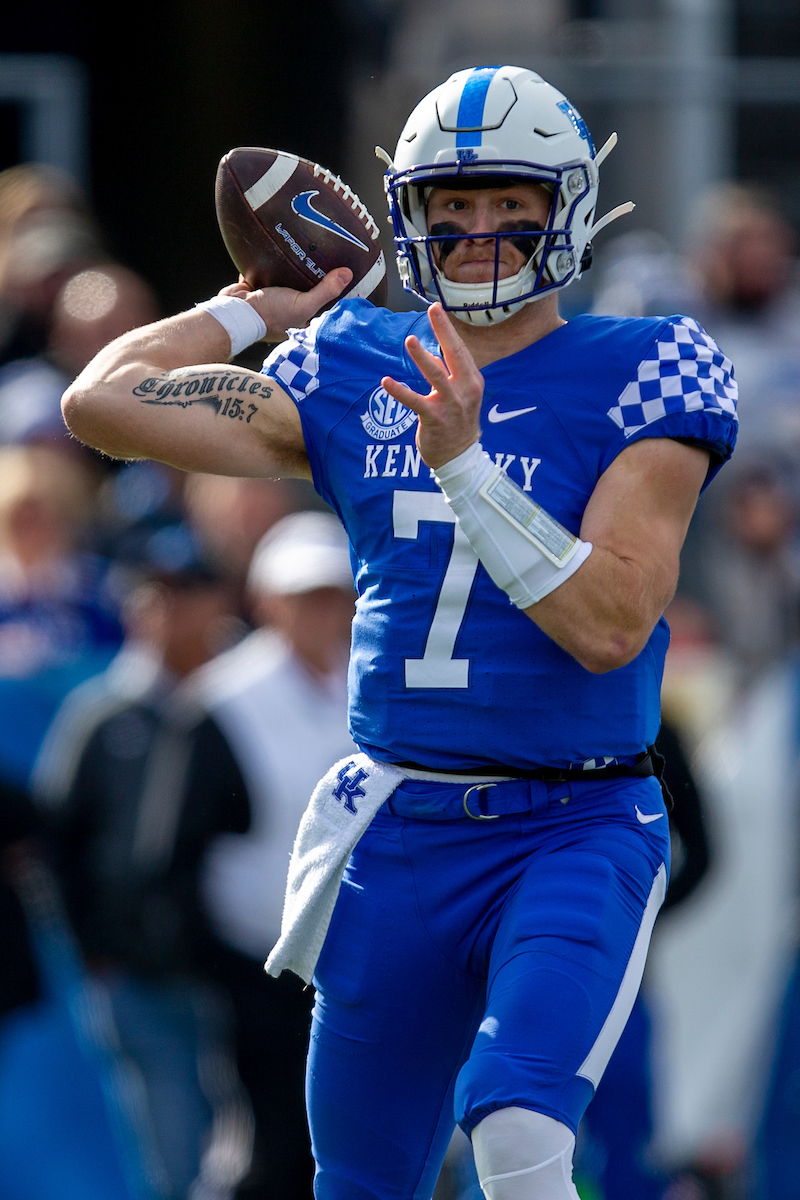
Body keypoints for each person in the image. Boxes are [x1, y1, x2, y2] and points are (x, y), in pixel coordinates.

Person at [59, 65, 738, 1200]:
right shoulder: (346, 360)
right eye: (449, 206)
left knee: (519, 1132)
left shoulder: (644, 365)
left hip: (572, 822)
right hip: (400, 822)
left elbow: (612, 625)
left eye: (507, 202)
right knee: (360, 1181)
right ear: (409, 217)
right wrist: (251, 310)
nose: (477, 231)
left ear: (564, 206)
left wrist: (466, 469)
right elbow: (102, 404)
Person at [33, 528, 254, 1200]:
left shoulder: (248, 698)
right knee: (177, 1153)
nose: (171, 611)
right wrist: (95, 949)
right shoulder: (101, 716)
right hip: (141, 971)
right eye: (156, 595)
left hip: (251, 965)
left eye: (188, 593)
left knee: (266, 1148)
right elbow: (57, 845)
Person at [196, 510, 357, 1199]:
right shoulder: (222, 700)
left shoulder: (378, 687)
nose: (322, 612)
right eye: (304, 596)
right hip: (254, 968)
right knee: (274, 1146)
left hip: (360, 964)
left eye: (333, 595)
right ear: (266, 601)